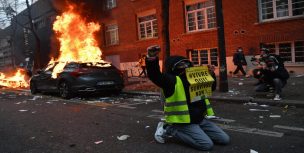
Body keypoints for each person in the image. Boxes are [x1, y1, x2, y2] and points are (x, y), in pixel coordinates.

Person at [145, 45, 229, 151]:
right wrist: (151, 58)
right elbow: (155, 75)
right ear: (173, 68)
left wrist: (211, 74)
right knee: (206, 145)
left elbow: (210, 88)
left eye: (187, 63)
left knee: (224, 139)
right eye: (181, 65)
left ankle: (197, 131)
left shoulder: (194, 77)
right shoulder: (171, 81)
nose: (185, 67)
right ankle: (170, 129)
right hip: (184, 122)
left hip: (199, 119)